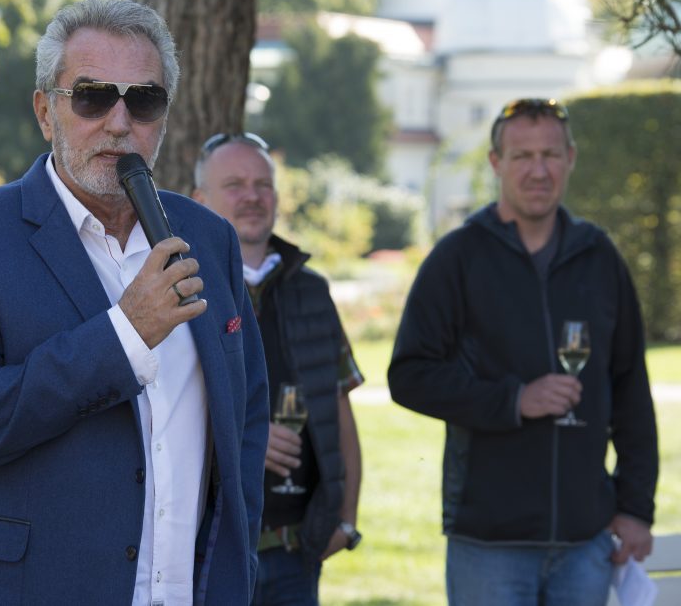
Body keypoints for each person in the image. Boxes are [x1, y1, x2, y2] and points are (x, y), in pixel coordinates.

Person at [0, 0, 269, 605]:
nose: (119, 121)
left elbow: (246, 418)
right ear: (45, 112)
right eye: (92, 96)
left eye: (144, 100)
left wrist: (236, 569)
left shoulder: (209, 238)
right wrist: (124, 335)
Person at [388, 97, 659, 605]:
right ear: (496, 163)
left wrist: (635, 507)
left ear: (570, 158)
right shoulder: (458, 257)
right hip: (489, 542)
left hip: (586, 539)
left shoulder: (599, 257)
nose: (539, 170)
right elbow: (409, 376)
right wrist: (513, 400)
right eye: (522, 156)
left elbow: (631, 391)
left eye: (550, 155)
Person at [193, 133, 364, 606]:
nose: (252, 196)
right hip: (206, 550)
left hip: (296, 550)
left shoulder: (311, 291)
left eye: (263, 185)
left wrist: (346, 521)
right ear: (199, 200)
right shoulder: (178, 285)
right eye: (234, 185)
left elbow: (339, 410)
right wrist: (246, 435)